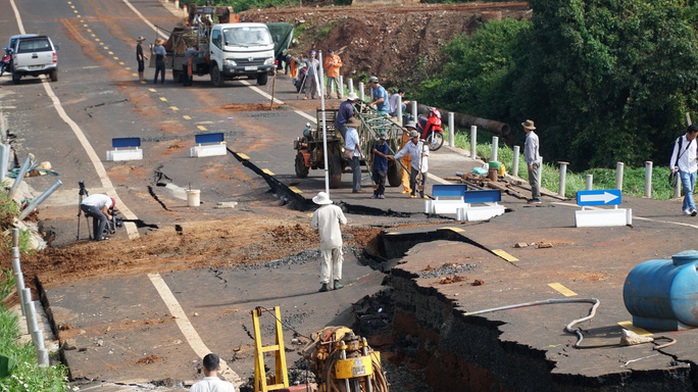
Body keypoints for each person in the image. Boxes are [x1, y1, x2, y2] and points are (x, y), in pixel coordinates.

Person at [310, 191, 347, 292]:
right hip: (337, 240)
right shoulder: (336, 209)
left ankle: (325, 284)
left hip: (325, 241)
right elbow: (344, 222)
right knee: (338, 261)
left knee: (326, 262)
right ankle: (336, 282)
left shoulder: (318, 212)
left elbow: (313, 225)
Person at [390, 130, 428, 198]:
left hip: (423, 164)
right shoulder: (409, 144)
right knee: (412, 179)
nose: (411, 140)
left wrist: (425, 154)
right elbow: (402, 152)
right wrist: (394, 157)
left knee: (424, 179)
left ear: (416, 137)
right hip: (414, 164)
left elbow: (427, 151)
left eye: (412, 138)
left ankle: (422, 193)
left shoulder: (422, 143)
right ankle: (413, 193)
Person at [670, 124, 698, 216]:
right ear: (688, 133)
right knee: (688, 189)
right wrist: (672, 166)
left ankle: (685, 208)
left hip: (693, 167)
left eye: (695, 136)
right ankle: (693, 208)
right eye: (693, 135)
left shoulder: (694, 141)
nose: (694, 137)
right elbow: (675, 154)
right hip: (683, 168)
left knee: (690, 189)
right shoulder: (680, 140)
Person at [522, 119, 542, 204]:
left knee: (533, 180)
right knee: (533, 179)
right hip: (536, 160)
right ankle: (535, 197)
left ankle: (536, 198)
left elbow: (531, 151)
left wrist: (530, 163)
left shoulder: (530, 138)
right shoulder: (534, 135)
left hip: (533, 162)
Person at [398, 121, 418, 194]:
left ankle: (412, 188)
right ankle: (406, 188)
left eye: (411, 128)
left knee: (412, 174)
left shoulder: (416, 136)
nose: (409, 129)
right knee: (404, 173)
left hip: (413, 158)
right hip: (404, 157)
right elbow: (401, 145)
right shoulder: (404, 135)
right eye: (408, 127)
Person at [345, 117, 363, 193]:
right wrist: (361, 153)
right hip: (354, 153)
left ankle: (356, 187)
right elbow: (357, 144)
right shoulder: (354, 132)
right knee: (357, 171)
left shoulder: (348, 131)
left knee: (355, 170)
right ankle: (356, 188)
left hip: (349, 151)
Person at [372, 132, 390, 199]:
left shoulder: (385, 146)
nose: (382, 140)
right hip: (376, 164)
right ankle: (375, 193)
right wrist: (371, 162)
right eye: (382, 139)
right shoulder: (375, 144)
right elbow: (372, 153)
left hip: (383, 165)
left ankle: (381, 193)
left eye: (384, 139)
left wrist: (376, 152)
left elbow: (385, 155)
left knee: (382, 181)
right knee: (375, 180)